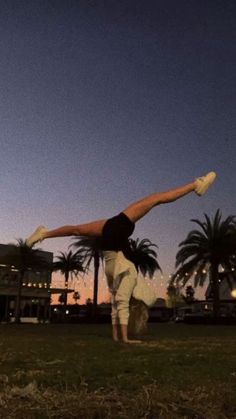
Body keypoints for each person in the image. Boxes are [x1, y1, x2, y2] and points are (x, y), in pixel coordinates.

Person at [26, 171, 216, 343]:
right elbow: (121, 302)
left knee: (155, 199)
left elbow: (121, 302)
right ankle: (195, 185)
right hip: (113, 247)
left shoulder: (124, 272)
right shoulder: (125, 273)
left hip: (114, 238)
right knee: (155, 199)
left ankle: (43, 234)